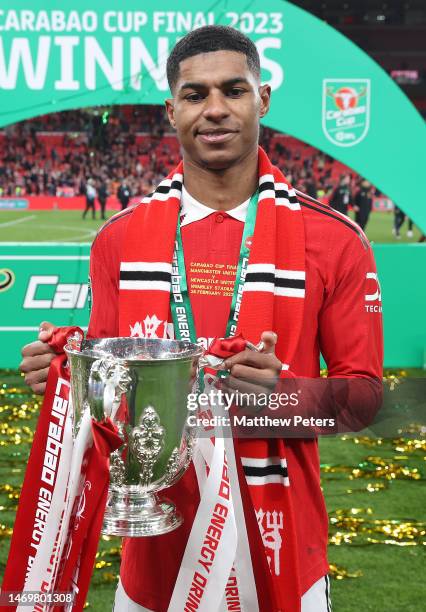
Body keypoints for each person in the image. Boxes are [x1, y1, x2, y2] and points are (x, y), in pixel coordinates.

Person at [20, 26, 383, 612]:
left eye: (234, 90)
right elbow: (112, 395)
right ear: (171, 110)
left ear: (262, 100)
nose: (215, 109)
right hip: (156, 552)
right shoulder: (118, 239)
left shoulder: (336, 241)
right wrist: (66, 378)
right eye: (195, 95)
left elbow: (364, 399)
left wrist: (279, 395)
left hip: (281, 550)